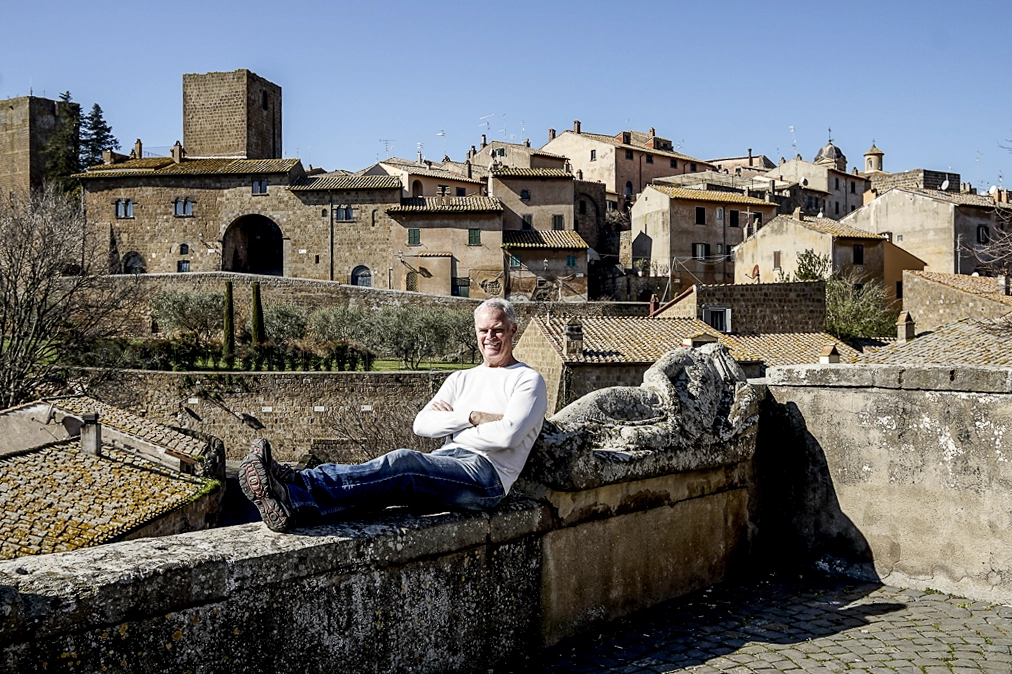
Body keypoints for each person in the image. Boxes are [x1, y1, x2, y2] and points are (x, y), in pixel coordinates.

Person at [239, 298, 548, 532]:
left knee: (403, 464)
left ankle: (297, 483)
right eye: (484, 330)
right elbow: (422, 425)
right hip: (450, 460)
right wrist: (473, 417)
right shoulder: (460, 379)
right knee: (385, 486)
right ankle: (295, 506)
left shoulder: (528, 380)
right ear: (476, 332)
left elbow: (508, 435)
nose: (490, 337)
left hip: (486, 478)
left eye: (498, 330)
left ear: (513, 330)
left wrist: (453, 424)